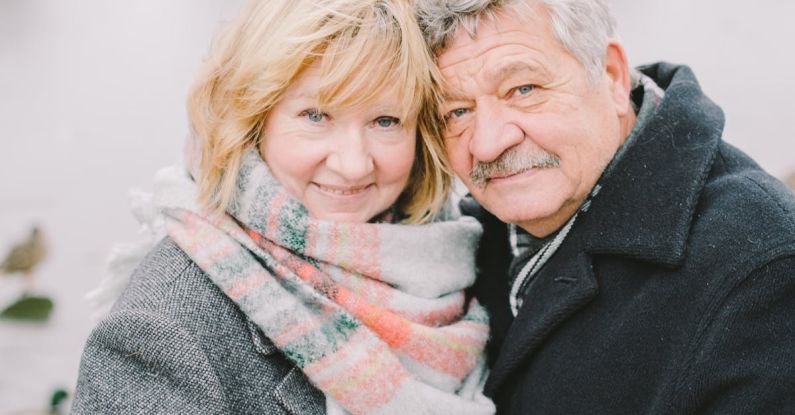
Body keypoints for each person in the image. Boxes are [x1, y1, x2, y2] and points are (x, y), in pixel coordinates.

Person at [71, 1, 496, 414]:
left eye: (385, 121)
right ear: (254, 116)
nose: (353, 165)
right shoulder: (167, 325)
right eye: (316, 116)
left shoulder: (459, 260)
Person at [415, 0, 795, 413]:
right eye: (456, 111)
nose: (487, 143)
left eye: (523, 89)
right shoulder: (451, 246)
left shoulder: (760, 267)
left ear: (612, 75)